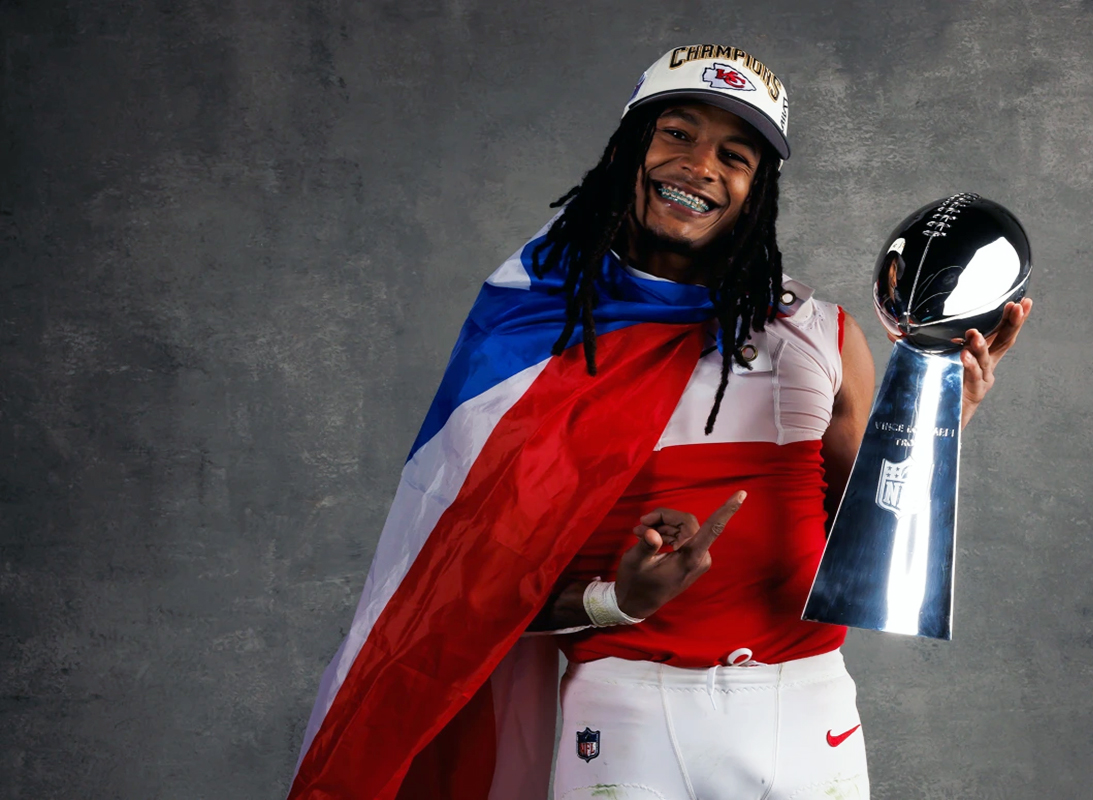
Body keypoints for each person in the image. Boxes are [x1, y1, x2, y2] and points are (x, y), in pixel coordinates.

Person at [288, 44, 1031, 800]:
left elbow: (862, 557)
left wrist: (939, 424)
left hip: (810, 705)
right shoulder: (534, 333)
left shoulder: (820, 332)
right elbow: (467, 590)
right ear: (626, 149)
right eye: (677, 133)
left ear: (756, 188)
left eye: (734, 154)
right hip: (628, 712)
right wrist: (619, 598)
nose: (701, 164)